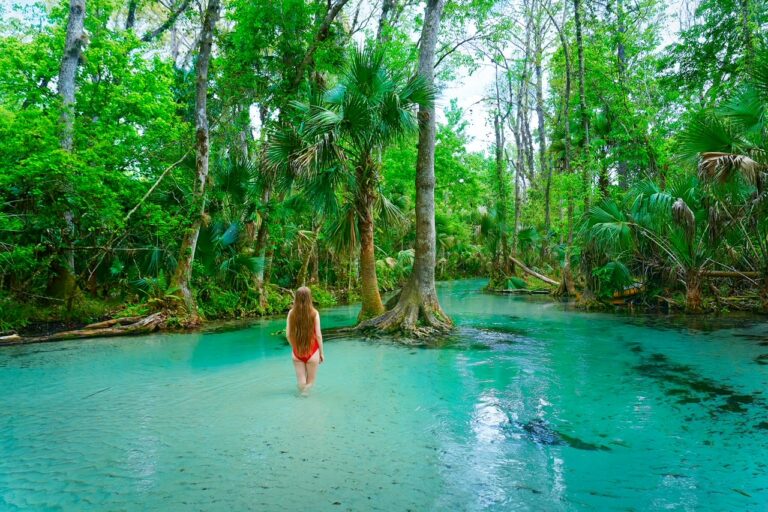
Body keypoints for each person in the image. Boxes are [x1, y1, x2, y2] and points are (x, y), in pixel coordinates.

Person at [286, 286, 324, 394]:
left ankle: (302, 399)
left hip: (297, 352)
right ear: (309, 298)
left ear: (296, 298)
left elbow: (288, 334)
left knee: (301, 383)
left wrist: (294, 347)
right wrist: (321, 353)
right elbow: (318, 335)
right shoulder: (314, 313)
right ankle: (305, 395)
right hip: (312, 351)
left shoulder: (291, 313)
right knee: (311, 382)